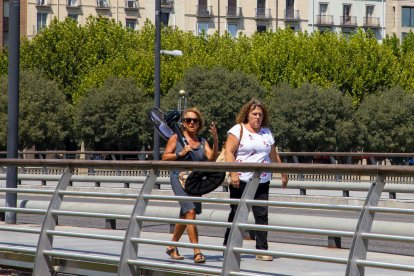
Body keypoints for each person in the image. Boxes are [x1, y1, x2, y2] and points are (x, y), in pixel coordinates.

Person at [223, 99, 288, 261]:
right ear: (247, 114)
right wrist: (233, 173)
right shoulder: (238, 130)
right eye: (254, 114)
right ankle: (228, 247)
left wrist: (283, 173)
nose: (257, 117)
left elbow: (273, 155)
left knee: (262, 215)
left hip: (262, 180)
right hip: (241, 180)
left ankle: (262, 249)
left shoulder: (266, 132)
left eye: (260, 114)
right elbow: (229, 152)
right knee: (237, 214)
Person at [162, 107, 218, 264]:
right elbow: (165, 157)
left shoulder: (202, 141)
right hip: (178, 177)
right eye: (188, 120)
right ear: (183, 124)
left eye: (195, 120)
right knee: (191, 211)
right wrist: (180, 154)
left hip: (195, 180)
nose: (192, 123)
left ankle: (171, 247)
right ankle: (197, 252)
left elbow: (212, 159)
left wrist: (215, 139)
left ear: (199, 123)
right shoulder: (176, 138)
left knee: (186, 214)